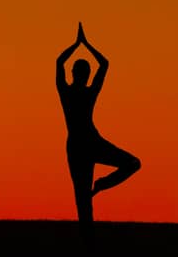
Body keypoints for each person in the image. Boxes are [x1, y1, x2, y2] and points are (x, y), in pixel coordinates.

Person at [56, 22, 140, 236]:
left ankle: (102, 184)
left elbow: (101, 65)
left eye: (84, 72)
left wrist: (81, 44)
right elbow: (100, 64)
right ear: (78, 73)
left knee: (132, 163)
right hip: (79, 146)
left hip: (90, 142)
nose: (82, 75)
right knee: (82, 199)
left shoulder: (82, 92)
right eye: (81, 71)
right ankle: (88, 241)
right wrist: (82, 45)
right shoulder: (68, 92)